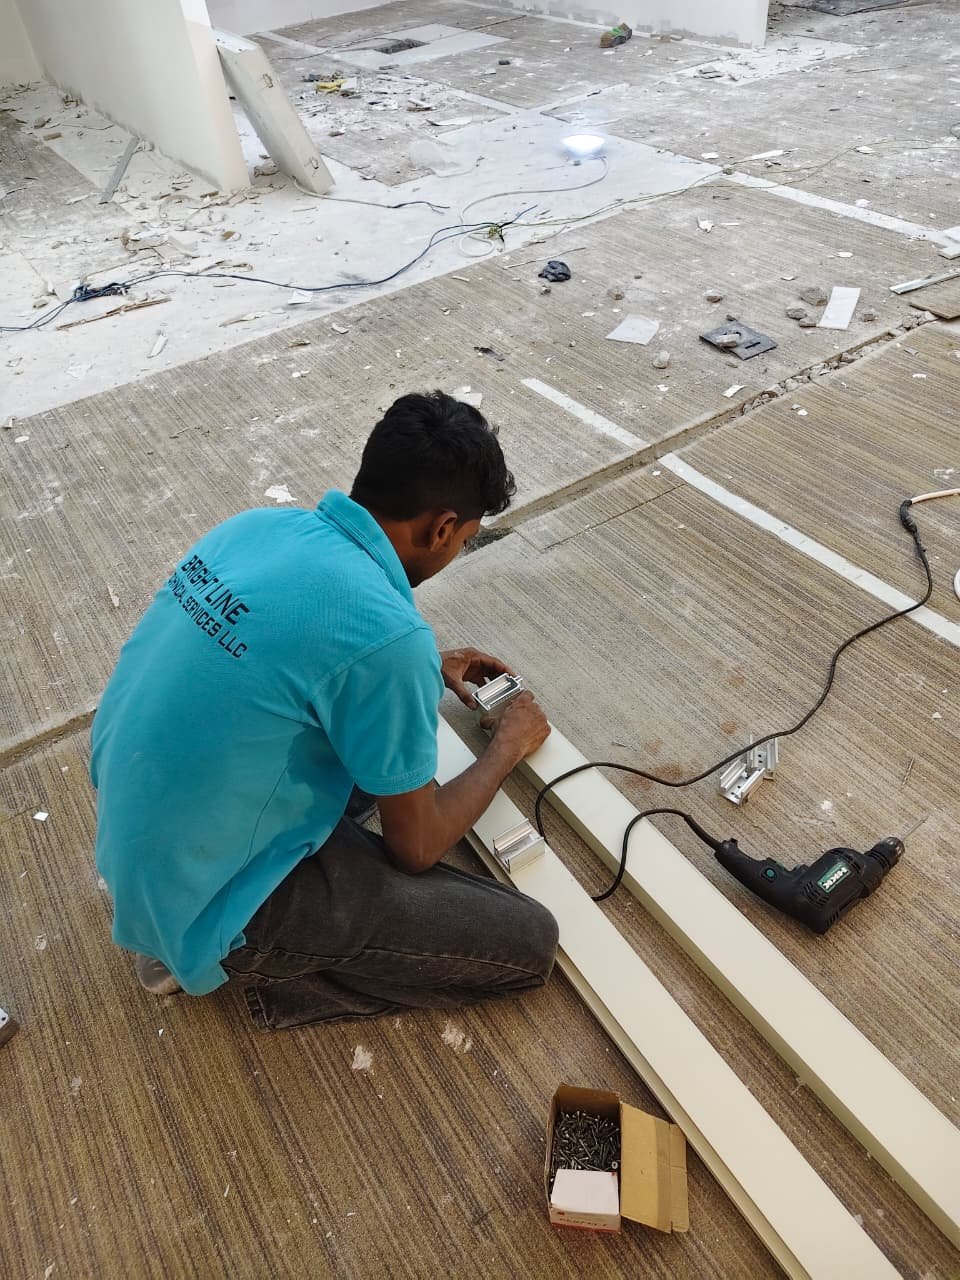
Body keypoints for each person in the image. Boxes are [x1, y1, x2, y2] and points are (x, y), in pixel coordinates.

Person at [90, 391, 558, 1031]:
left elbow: (285, 650)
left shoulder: (255, 528)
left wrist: (419, 668)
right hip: (208, 890)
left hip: (137, 823)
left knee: (362, 743)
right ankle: (253, 966)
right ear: (442, 528)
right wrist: (506, 747)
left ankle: (182, 922)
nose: (455, 551)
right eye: (464, 540)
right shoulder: (390, 640)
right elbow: (416, 848)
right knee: (528, 946)